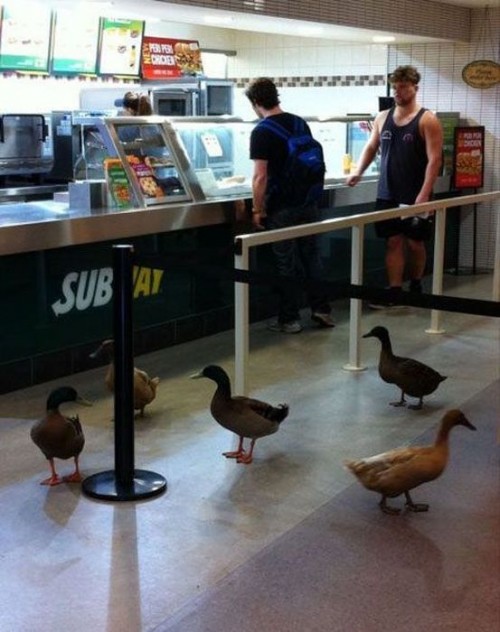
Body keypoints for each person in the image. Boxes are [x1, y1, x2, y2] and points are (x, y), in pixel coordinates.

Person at [346, 65, 443, 308]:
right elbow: (371, 146)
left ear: (415, 88)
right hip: (388, 192)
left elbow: (435, 160)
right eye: (395, 87)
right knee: (393, 241)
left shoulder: (427, 120)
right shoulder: (382, 117)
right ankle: (395, 291)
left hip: (415, 192)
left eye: (403, 87)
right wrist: (358, 171)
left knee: (415, 242)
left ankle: (416, 284)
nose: (398, 92)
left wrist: (424, 194)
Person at [245, 77, 334, 334]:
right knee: (311, 257)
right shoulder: (299, 122)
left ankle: (290, 319)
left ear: (255, 102)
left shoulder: (261, 131)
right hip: (308, 201)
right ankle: (322, 309)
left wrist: (257, 209)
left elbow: (260, 176)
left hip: (282, 206)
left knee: (286, 263)